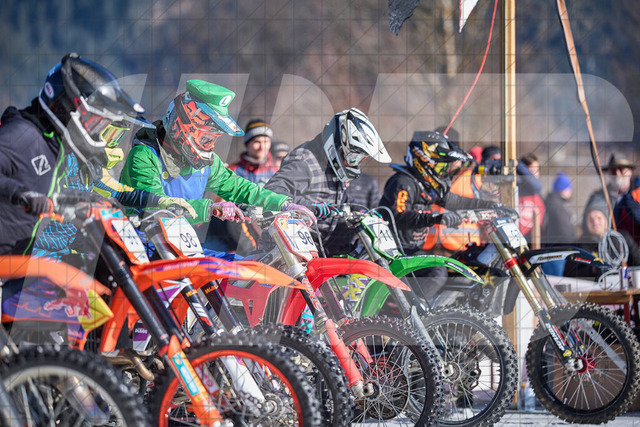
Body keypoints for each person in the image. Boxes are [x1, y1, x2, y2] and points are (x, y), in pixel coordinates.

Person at [0, 53, 180, 255]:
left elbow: (57, 194)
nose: (98, 133)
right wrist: (21, 194)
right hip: (20, 261)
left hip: (32, 258)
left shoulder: (58, 149)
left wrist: (94, 200)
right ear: (69, 107)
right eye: (95, 123)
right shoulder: (22, 134)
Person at [119, 79, 309, 251]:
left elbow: (241, 188)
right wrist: (210, 208)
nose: (210, 146)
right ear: (184, 127)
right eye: (206, 138)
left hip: (182, 247)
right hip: (141, 248)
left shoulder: (206, 163)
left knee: (249, 268)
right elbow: (155, 207)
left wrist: (284, 204)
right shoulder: (144, 155)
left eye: (213, 140)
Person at [378, 131, 516, 301]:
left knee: (463, 263)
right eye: (440, 167)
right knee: (437, 272)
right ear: (424, 161)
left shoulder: (425, 185)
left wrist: (493, 206)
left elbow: (457, 201)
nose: (442, 172)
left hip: (410, 251)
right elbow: (398, 216)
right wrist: (436, 218)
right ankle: (405, 311)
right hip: (393, 254)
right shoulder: (403, 182)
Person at [264, 108, 392, 256]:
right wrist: (310, 206)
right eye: (353, 157)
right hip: (284, 252)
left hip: (317, 250)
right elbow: (272, 191)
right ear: (337, 146)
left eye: (360, 159)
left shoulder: (331, 165)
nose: (355, 163)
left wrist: (361, 210)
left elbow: (336, 198)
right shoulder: (305, 161)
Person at [565, 195, 640, 279]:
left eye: (599, 218)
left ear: (606, 220)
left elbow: (638, 262)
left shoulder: (622, 239)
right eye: (591, 219)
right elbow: (568, 274)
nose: (595, 222)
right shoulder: (578, 246)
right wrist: (592, 270)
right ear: (586, 222)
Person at [541, 173, 576, 276]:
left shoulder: (551, 203)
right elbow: (565, 232)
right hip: (557, 254)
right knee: (554, 283)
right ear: (563, 189)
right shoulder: (558, 207)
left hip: (550, 252)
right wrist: (574, 246)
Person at [228, 119, 279, 185]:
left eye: (265, 142)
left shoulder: (277, 174)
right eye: (257, 142)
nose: (262, 147)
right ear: (248, 144)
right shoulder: (232, 172)